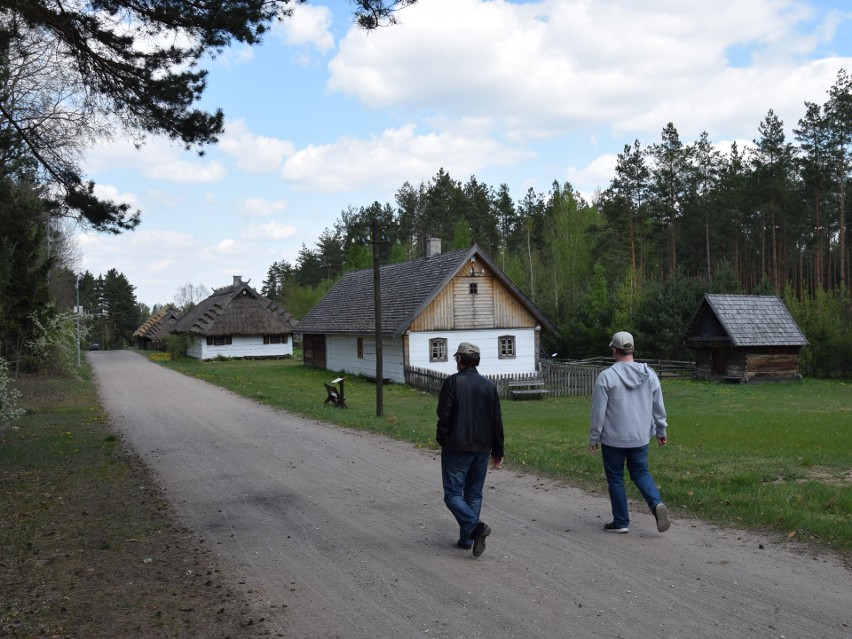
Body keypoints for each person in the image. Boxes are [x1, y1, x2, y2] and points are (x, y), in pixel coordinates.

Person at [589, 331, 670, 534]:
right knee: (640, 472)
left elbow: (598, 412)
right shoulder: (649, 374)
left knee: (616, 478)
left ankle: (621, 521)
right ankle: (656, 504)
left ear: (614, 350)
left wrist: (594, 437)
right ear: (632, 349)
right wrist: (661, 430)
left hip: (613, 439)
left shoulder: (606, 377)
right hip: (640, 436)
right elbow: (658, 406)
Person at [436, 342, 504, 557]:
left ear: (460, 360)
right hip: (482, 448)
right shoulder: (489, 386)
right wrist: (498, 450)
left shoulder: (453, 382)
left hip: (456, 446)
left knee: (453, 495)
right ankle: (467, 539)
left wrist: (442, 438)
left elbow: (444, 415)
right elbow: (496, 421)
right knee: (473, 494)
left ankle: (475, 527)